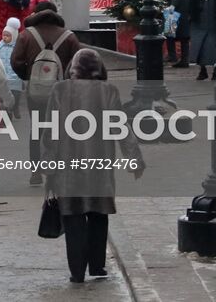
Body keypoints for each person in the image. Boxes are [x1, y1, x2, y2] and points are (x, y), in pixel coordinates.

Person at [42, 48, 144, 283]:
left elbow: (49, 131)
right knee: (98, 215)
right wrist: (134, 158)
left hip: (67, 166)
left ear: (72, 70)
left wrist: (48, 165)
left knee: (73, 217)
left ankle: (77, 272)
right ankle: (97, 266)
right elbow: (121, 127)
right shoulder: (108, 90)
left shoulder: (60, 89)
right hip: (99, 166)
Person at [11, 0, 83, 185]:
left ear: (35, 14)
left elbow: (16, 62)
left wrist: (29, 76)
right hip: (62, 91)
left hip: (35, 92)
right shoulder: (69, 36)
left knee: (37, 130)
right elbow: (78, 63)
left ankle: (35, 172)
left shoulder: (26, 35)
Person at [0, 17, 24, 114]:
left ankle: (15, 108)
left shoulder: (18, 47)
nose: (5, 37)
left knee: (16, 94)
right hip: (4, 75)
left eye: (8, 35)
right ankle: (8, 111)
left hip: (14, 76)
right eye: (4, 35)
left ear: (14, 36)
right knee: (4, 95)